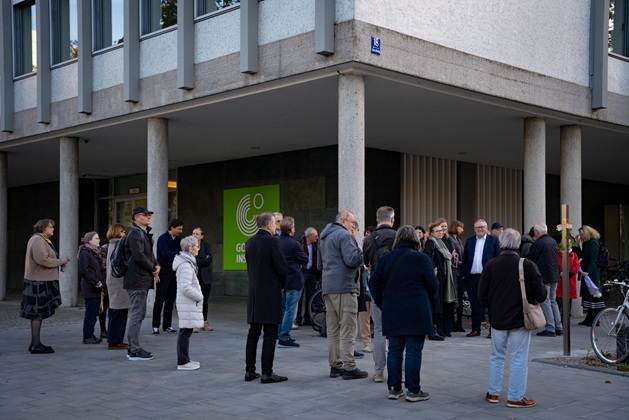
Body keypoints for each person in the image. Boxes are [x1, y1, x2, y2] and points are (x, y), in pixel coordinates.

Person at [369, 226, 439, 402]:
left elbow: (374, 284)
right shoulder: (422, 259)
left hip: (393, 309)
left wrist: (383, 303)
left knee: (394, 350)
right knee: (414, 351)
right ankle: (413, 390)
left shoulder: (386, 259)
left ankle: (394, 388)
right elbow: (433, 286)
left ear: (397, 239)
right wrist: (426, 300)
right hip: (417, 309)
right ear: (415, 239)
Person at [478, 228, 546, 408]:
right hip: (520, 319)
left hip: (497, 318)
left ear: (500, 244)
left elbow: (481, 296)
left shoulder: (491, 264)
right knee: (519, 358)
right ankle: (515, 397)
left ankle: (493, 393)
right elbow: (541, 295)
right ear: (518, 244)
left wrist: (492, 306)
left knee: (496, 356)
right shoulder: (527, 265)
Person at [318, 210, 366, 380]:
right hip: (344, 286)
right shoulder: (344, 236)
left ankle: (335, 366)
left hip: (328, 286)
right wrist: (361, 251)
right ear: (344, 221)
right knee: (348, 328)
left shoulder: (324, 236)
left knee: (333, 329)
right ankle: (349, 367)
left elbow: (319, 264)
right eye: (352, 222)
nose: (353, 226)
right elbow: (352, 260)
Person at [244, 212, 289, 383]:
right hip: (269, 293)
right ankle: (267, 372)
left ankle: (249, 370)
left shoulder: (249, 243)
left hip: (254, 293)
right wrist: (282, 284)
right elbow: (281, 267)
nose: (276, 227)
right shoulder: (272, 241)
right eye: (274, 224)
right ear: (269, 225)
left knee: (253, 332)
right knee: (270, 333)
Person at [20, 219, 69, 354]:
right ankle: (36, 344)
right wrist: (61, 261)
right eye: (50, 227)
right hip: (38, 282)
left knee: (38, 313)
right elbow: (42, 259)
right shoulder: (37, 240)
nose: (53, 229)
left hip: (41, 280)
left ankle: (35, 343)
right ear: (43, 228)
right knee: (37, 313)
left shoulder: (41, 240)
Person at [363, 206, 397, 382]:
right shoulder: (398, 236)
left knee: (379, 331)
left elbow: (366, 263)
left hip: (378, 290)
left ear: (377, 220)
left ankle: (378, 372)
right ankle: (401, 372)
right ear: (392, 219)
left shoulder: (368, 240)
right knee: (399, 333)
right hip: (397, 290)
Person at [124, 206, 160, 361]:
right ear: (136, 218)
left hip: (141, 279)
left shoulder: (143, 233)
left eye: (149, 215)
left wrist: (156, 265)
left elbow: (149, 254)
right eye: (145, 215)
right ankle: (133, 349)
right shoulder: (134, 233)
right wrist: (153, 269)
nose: (148, 217)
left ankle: (134, 348)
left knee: (139, 314)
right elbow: (139, 256)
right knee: (137, 314)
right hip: (137, 280)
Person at [462, 219, 500, 337]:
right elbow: (465, 259)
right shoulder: (470, 241)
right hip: (472, 278)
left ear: (486, 227)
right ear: (474, 229)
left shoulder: (493, 240)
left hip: (488, 278)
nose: (480, 229)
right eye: (477, 227)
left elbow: (497, 258)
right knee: (474, 304)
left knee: (491, 304)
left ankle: (492, 330)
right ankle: (475, 329)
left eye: (482, 227)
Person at [173, 235, 204, 371]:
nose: (198, 248)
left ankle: (184, 359)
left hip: (188, 302)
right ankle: (183, 361)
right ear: (190, 248)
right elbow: (185, 287)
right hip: (188, 302)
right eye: (196, 246)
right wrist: (199, 296)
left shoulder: (187, 262)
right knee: (185, 331)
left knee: (186, 330)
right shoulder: (185, 265)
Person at [526, 223, 562, 337]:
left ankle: (550, 328)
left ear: (536, 232)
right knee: (553, 300)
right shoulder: (552, 241)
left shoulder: (539, 243)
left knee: (545, 301)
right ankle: (558, 326)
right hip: (554, 275)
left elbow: (530, 258)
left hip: (544, 275)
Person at [278, 217, 308, 347]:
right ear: (291, 230)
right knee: (290, 309)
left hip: (281, 279)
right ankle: (284, 336)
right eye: (294, 227)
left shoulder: (276, 241)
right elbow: (305, 259)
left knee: (283, 308)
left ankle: (280, 333)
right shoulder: (294, 244)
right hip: (294, 279)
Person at [424, 221, 456, 339]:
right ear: (432, 233)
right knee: (437, 303)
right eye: (437, 231)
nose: (440, 233)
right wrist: (433, 267)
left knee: (443, 303)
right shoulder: (431, 243)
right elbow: (426, 255)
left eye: (441, 231)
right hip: (437, 277)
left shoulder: (442, 242)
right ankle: (434, 330)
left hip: (445, 276)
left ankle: (442, 330)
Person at [153, 219, 184, 334]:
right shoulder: (162, 239)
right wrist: (179, 253)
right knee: (160, 299)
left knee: (171, 300)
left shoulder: (179, 240)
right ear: (172, 228)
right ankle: (155, 325)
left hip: (174, 272)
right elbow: (165, 253)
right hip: (164, 272)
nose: (181, 231)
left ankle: (167, 325)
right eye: (179, 229)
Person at [103, 224, 130, 350]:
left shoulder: (111, 244)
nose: (124, 234)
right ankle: (115, 340)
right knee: (118, 312)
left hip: (113, 281)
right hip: (118, 281)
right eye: (123, 231)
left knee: (116, 311)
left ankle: (115, 339)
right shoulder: (118, 244)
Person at [78, 231, 106, 344]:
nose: (99, 240)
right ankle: (87, 336)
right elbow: (85, 270)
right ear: (89, 240)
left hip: (96, 287)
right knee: (91, 313)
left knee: (94, 312)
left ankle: (90, 335)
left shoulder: (94, 253)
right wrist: (96, 282)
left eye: (98, 238)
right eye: (96, 238)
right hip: (91, 287)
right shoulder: (85, 252)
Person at [577, 225, 605, 326]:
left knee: (594, 294)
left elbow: (593, 259)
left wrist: (588, 271)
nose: (581, 236)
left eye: (582, 234)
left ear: (587, 233)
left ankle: (595, 319)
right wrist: (576, 243)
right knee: (588, 294)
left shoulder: (593, 243)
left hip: (591, 272)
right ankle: (589, 318)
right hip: (586, 271)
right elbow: (581, 255)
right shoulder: (585, 243)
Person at [296, 227, 321, 327]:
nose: (317, 237)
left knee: (310, 296)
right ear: (309, 236)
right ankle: (298, 318)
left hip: (313, 272)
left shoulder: (317, 244)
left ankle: (308, 318)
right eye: (315, 235)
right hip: (302, 271)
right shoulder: (300, 244)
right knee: (300, 297)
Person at [192, 227, 214, 332]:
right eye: (193, 233)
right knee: (195, 301)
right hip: (194, 277)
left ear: (202, 236)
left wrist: (199, 261)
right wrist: (202, 260)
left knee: (204, 301)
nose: (195, 235)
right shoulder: (190, 246)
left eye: (197, 234)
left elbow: (209, 260)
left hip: (205, 277)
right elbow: (192, 260)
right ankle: (194, 324)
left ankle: (204, 322)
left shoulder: (207, 246)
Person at [447, 220, 466, 332]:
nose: (462, 230)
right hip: (454, 271)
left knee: (460, 297)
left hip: (459, 272)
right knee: (454, 298)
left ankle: (459, 322)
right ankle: (453, 323)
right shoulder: (450, 239)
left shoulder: (459, 240)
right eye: (461, 227)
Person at [556, 246, 579, 323]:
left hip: (569, 281)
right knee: (558, 302)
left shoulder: (573, 255)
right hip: (559, 281)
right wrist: (559, 273)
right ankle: (556, 321)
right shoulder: (557, 254)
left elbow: (576, 267)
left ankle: (565, 321)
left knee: (568, 303)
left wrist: (568, 273)